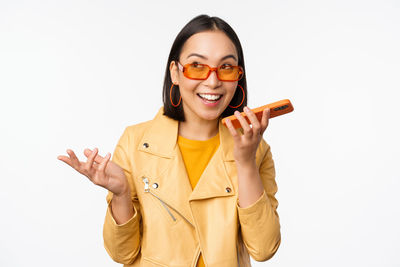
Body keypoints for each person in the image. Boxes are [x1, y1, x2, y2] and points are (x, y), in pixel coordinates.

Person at [57, 14, 281, 267]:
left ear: (238, 75)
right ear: (175, 72)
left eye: (226, 68)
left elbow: (263, 249)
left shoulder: (256, 149)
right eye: (197, 65)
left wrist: (246, 162)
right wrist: (120, 195)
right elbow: (123, 254)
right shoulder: (135, 142)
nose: (213, 80)